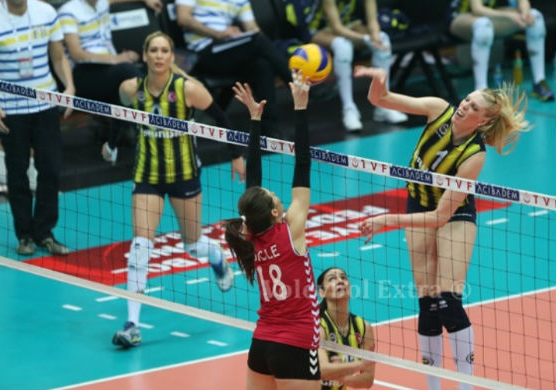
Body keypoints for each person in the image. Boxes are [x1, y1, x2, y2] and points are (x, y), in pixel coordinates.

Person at [355, 65, 530, 390]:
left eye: (474, 107)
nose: (465, 106)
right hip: (418, 204)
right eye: (467, 99)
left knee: (448, 299)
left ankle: (465, 386)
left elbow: (440, 216)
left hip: (453, 215)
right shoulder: (438, 109)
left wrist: (387, 220)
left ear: (484, 121)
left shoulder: (473, 156)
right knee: (428, 303)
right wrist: (379, 80)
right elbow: (381, 99)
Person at [111, 31, 245, 348]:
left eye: (164, 51)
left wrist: (236, 155)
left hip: (184, 175)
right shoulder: (131, 89)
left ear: (172, 57)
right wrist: (111, 145)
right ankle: (132, 325)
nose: (159, 56)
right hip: (147, 175)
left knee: (193, 245)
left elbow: (222, 118)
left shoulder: (188, 89)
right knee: (140, 245)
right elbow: (117, 116)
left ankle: (216, 256)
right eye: (153, 50)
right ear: (145, 55)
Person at [0, 0, 75, 256]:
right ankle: (25, 235)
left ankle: (44, 232)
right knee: (17, 174)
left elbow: (58, 57)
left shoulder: (46, 13)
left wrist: (69, 87)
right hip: (11, 110)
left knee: (51, 169)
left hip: (45, 104)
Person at [224, 79, 320, 389]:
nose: (275, 193)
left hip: (262, 342)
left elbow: (253, 182)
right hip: (297, 341)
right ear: (275, 212)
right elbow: (302, 164)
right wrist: (301, 108)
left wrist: (255, 120)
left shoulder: (249, 237)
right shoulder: (292, 229)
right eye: (274, 196)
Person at [176, 0, 292, 137]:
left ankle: (269, 129)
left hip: (229, 50)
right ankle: (294, 83)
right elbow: (183, 18)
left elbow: (253, 28)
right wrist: (219, 34)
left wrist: (246, 38)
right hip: (202, 52)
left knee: (262, 64)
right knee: (257, 42)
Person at [58, 0, 163, 164]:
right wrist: (117, 58)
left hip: (109, 70)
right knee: (128, 72)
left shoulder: (102, 2)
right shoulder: (68, 12)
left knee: (129, 82)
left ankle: (114, 145)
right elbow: (77, 54)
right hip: (82, 74)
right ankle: (156, 130)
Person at [310, 0, 407, 131]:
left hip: (347, 27)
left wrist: (375, 36)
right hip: (318, 31)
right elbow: (336, 27)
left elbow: (372, 20)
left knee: (383, 40)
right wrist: (366, 38)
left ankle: (382, 104)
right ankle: (349, 109)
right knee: (343, 47)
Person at [316, 267, 375, 390]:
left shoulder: (363, 328)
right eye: (332, 279)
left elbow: (367, 380)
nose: (340, 281)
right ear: (322, 292)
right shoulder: (317, 325)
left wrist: (342, 378)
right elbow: (322, 370)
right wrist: (359, 364)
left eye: (343, 277)